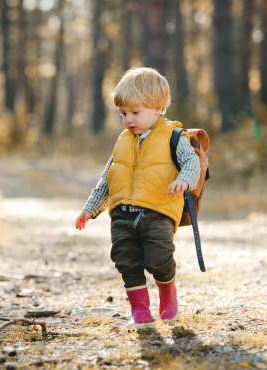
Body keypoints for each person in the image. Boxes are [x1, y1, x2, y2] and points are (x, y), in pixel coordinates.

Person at [75, 67, 201, 329]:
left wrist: (183, 180)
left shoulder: (174, 137)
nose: (128, 119)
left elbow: (192, 163)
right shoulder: (123, 141)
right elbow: (107, 179)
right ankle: (140, 311)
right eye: (123, 113)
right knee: (126, 261)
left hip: (158, 211)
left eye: (135, 112)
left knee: (159, 258)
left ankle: (167, 292)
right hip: (122, 214)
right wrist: (90, 208)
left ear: (158, 108)